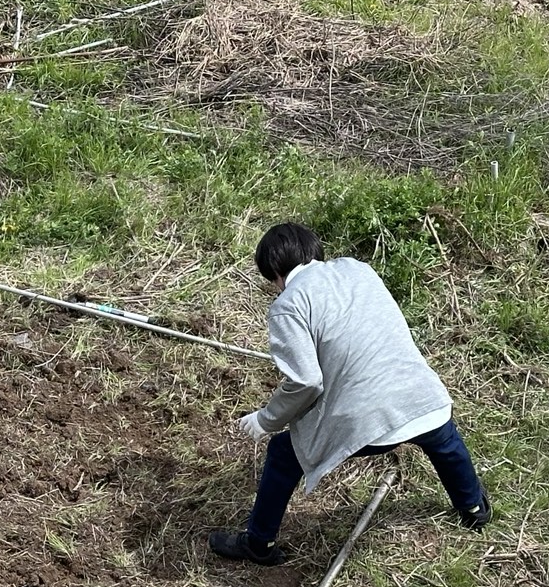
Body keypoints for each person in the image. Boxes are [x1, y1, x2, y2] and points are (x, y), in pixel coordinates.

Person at [209, 222, 490, 566]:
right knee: (444, 441)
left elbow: (306, 383)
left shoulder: (288, 304)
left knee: (284, 453)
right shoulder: (359, 270)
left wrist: (267, 419)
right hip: (422, 395)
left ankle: (258, 543)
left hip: (368, 418)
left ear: (275, 272)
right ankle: (473, 507)